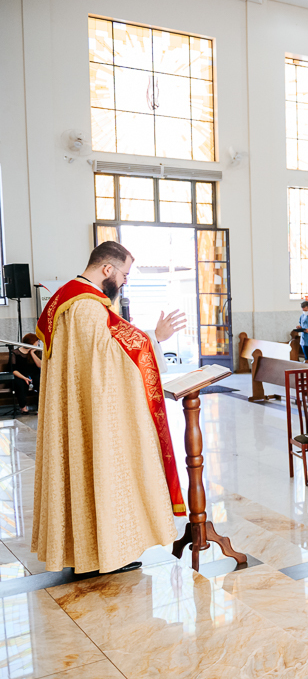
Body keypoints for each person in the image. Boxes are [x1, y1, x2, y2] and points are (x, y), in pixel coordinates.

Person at [33, 241, 187, 574]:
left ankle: (91, 552)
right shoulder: (86, 307)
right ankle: (101, 554)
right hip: (93, 414)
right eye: (124, 274)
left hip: (78, 408)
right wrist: (154, 338)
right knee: (101, 467)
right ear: (107, 269)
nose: (125, 281)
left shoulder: (66, 300)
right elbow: (109, 358)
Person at [7, 333, 42, 413]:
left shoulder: (37, 352)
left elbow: (40, 365)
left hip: (34, 374)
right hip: (20, 375)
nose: (38, 344)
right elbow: (13, 370)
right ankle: (23, 407)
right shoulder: (15, 353)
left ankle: (40, 406)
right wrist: (24, 378)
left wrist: (32, 353)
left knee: (40, 381)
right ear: (30, 343)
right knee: (20, 384)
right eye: (36, 342)